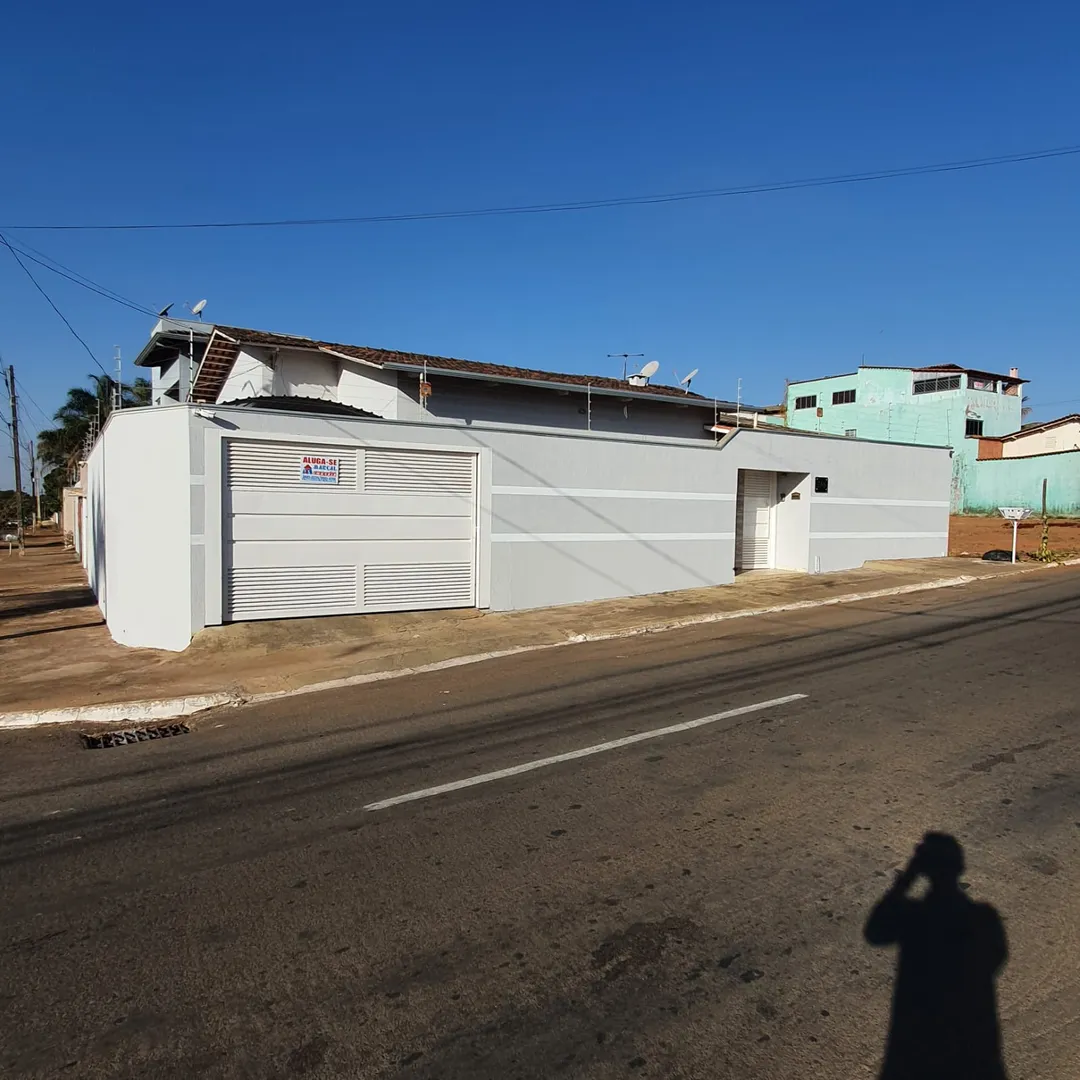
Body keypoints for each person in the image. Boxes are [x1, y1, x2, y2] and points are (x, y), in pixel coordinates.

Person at [864, 833, 1008, 1080]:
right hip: (974, 1056)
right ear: (960, 867)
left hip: (916, 1055)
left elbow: (875, 931)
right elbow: (997, 959)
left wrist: (905, 880)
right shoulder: (984, 919)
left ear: (924, 870)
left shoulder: (913, 918)